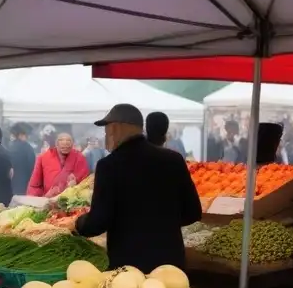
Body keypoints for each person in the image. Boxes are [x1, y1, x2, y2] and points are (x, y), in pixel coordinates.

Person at [74, 104, 201, 270]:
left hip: (130, 268)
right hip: (171, 264)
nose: (106, 137)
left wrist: (78, 224)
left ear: (115, 128)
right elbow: (193, 212)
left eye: (106, 132)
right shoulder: (174, 160)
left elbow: (98, 222)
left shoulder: (109, 166)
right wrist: (163, 224)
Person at [27, 132, 90, 198]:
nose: (65, 144)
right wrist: (37, 200)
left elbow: (86, 182)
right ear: (56, 144)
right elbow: (34, 185)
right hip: (48, 200)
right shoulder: (43, 158)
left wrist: (76, 182)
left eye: (68, 141)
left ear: (72, 144)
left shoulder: (79, 157)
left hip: (72, 201)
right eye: (61, 141)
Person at [8, 124, 36, 197]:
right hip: (25, 184)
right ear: (21, 135)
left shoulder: (9, 147)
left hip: (11, 185)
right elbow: (33, 166)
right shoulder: (28, 148)